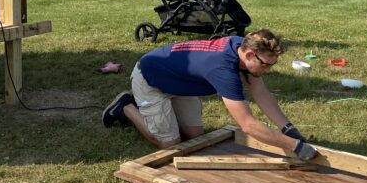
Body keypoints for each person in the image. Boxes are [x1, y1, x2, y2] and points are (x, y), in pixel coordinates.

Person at [102, 29, 316, 160]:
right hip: (151, 79)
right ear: (250, 54)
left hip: (180, 82)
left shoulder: (241, 47)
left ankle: (163, 113)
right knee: (169, 144)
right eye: (266, 65)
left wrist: (289, 130)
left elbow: (262, 95)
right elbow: (248, 125)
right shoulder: (223, 70)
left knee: (196, 137)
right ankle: (127, 107)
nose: (268, 70)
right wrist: (295, 146)